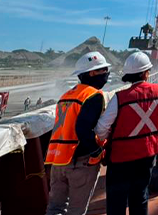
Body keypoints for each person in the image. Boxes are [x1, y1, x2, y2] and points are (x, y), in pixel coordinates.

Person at [96, 51, 158, 215]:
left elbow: (101, 128)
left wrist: (105, 142)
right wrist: (150, 130)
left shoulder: (119, 98)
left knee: (117, 201)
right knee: (140, 197)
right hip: (148, 153)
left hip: (121, 158)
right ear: (146, 73)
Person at [44, 52, 111, 215]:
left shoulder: (66, 95)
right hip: (79, 160)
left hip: (57, 160)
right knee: (76, 211)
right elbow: (83, 129)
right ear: (92, 73)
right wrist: (97, 151)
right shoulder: (94, 95)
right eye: (103, 70)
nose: (106, 74)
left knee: (55, 208)